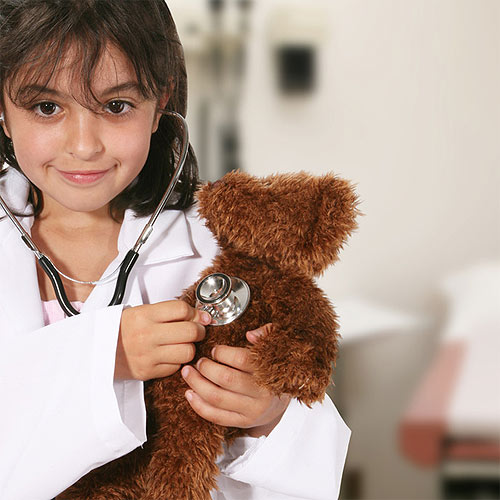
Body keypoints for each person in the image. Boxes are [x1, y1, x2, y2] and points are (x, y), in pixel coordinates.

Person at [0, 1, 351, 499]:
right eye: (46, 107)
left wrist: (268, 417)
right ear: (2, 108)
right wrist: (103, 355)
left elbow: (316, 475)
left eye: (116, 106)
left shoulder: (222, 249)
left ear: (160, 100)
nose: (84, 145)